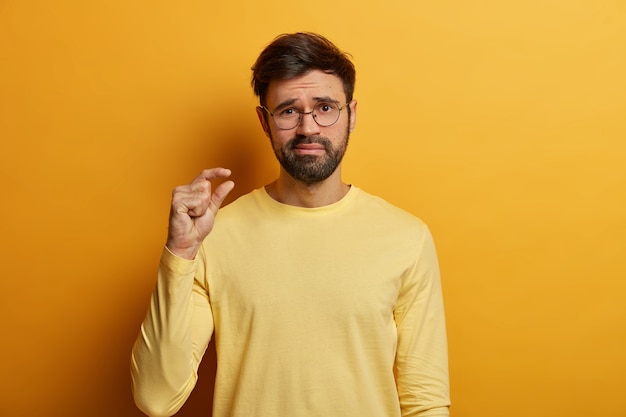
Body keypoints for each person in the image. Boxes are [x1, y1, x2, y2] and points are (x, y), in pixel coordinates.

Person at [131, 32, 450, 417]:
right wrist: (180, 254)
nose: (308, 128)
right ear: (265, 123)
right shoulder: (213, 236)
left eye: (325, 107)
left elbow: (425, 402)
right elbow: (155, 398)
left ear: (351, 114)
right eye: (288, 110)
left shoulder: (406, 237)